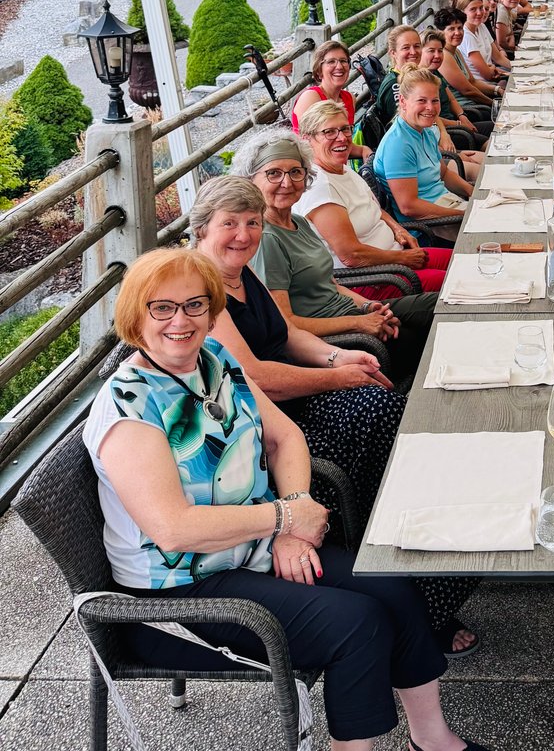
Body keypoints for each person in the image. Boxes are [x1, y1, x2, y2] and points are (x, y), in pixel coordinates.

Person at [85, 248, 510, 751]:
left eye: (196, 305)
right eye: (163, 308)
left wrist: (289, 522)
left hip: (247, 552)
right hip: (176, 601)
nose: (181, 320)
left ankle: (431, 745)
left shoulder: (212, 363)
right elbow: (173, 529)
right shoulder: (131, 406)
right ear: (135, 316)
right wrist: (285, 515)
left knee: (387, 579)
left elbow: (285, 435)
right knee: (355, 625)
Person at [192, 178, 478, 658]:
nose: (243, 234)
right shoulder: (200, 289)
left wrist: (335, 359)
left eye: (252, 223)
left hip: (296, 399)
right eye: (229, 224)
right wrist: (336, 380)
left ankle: (427, 559)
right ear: (202, 229)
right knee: (387, 427)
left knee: (401, 424)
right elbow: (256, 377)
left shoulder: (242, 273)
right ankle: (412, 584)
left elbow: (286, 336)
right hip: (260, 428)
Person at [230, 131, 437, 386]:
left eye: (296, 172)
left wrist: (369, 307)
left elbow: (333, 284)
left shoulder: (299, 222)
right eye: (273, 173)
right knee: (432, 338)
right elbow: (288, 324)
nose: (287, 182)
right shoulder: (268, 240)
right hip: (336, 339)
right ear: (252, 180)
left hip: (350, 313)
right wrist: (360, 323)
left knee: (440, 306)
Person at [296, 99, 451, 296]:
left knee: (463, 260)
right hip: (372, 278)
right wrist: (401, 259)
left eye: (345, 129)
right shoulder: (319, 187)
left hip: (396, 258)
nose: (342, 138)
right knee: (458, 279)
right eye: (329, 132)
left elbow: (374, 208)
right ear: (308, 139)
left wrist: (398, 229)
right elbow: (351, 256)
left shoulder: (343, 170)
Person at [373, 68, 471, 238]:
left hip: (447, 205)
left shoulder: (425, 131)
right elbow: (409, 207)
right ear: (402, 102)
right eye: (422, 101)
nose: (430, 108)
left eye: (435, 100)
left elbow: (444, 173)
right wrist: (462, 215)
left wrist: (472, 192)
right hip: (430, 226)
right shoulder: (398, 144)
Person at [374, 25, 484, 175]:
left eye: (417, 46)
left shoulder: (419, 74)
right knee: (483, 169)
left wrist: (444, 134)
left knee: (488, 161)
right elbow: (410, 133)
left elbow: (431, 113)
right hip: (421, 157)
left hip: (434, 142)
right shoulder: (394, 85)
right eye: (406, 48)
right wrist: (454, 153)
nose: (413, 52)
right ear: (393, 53)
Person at [291, 41, 369, 160]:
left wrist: (364, 150)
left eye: (343, 61)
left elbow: (341, 143)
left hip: (334, 164)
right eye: (331, 61)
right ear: (319, 70)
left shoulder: (349, 98)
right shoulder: (311, 97)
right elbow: (308, 147)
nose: (339, 66)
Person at [420, 30, 490, 142]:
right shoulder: (420, 80)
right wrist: (458, 124)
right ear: (420, 52)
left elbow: (451, 99)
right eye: (431, 51)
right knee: (487, 139)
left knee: (493, 128)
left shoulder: (435, 72)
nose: (437, 55)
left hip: (454, 122)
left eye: (440, 51)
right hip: (442, 133)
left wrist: (462, 115)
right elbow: (430, 118)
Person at [435, 7, 499, 107]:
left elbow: (473, 81)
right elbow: (467, 91)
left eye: (460, 28)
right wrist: (495, 104)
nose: (457, 33)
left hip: (473, 103)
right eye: (451, 29)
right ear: (441, 32)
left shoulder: (456, 51)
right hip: (465, 109)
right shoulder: (444, 55)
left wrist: (497, 90)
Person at [462, 0, 511, 84]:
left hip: (494, 77)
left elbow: (498, 57)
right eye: (473, 9)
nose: (480, 13)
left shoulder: (481, 26)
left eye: (481, 8)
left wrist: (518, 68)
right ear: (462, 12)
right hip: (485, 85)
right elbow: (487, 75)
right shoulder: (466, 36)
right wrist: (505, 72)